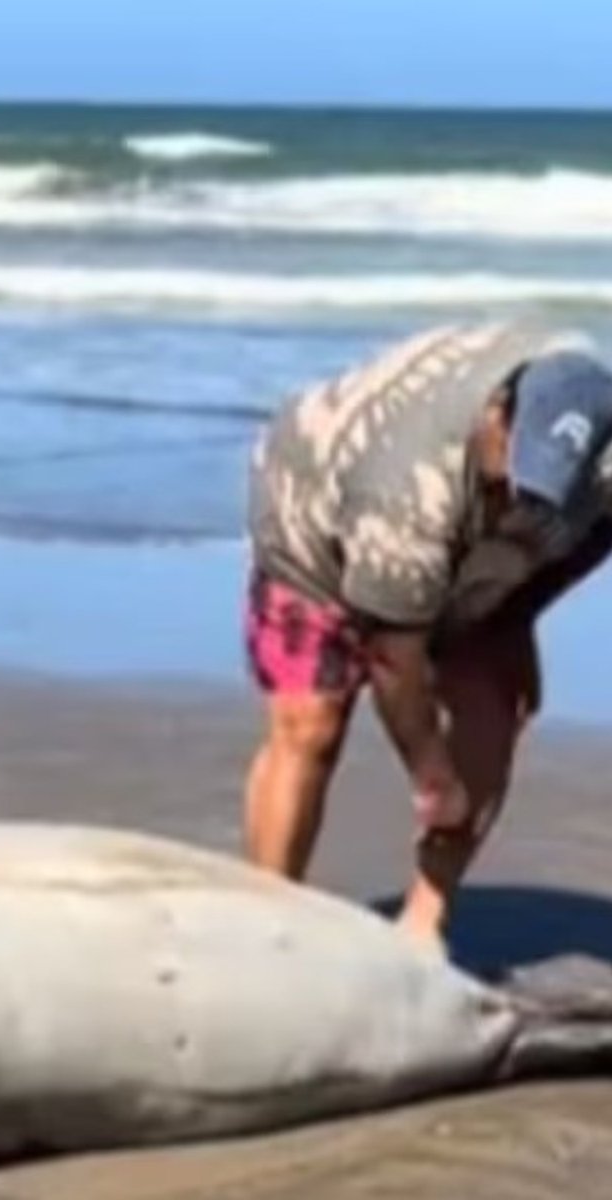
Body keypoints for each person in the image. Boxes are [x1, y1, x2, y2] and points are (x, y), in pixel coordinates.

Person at [241, 320, 612, 950]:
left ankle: (423, 925)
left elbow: (585, 542)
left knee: (496, 703)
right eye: (516, 473)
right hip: (313, 510)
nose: (519, 497)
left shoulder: (595, 471)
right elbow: (393, 657)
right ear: (497, 418)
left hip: (467, 548)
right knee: (313, 721)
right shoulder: (411, 488)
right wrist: (432, 777)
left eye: (543, 489)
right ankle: (265, 922)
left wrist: (515, 616)